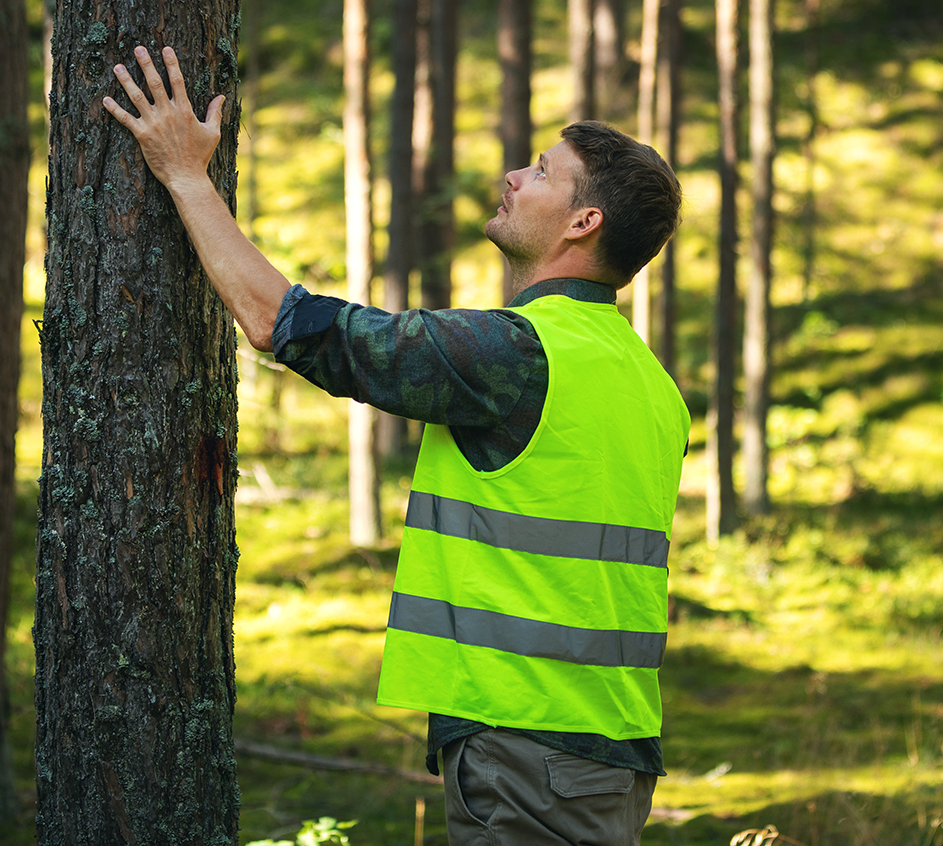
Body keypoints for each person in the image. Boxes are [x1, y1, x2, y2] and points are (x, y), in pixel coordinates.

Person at [103, 46, 690, 846]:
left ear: (583, 222)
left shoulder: (520, 355)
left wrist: (185, 178)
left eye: (543, 172)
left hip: (528, 752)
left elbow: (288, 324)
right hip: (606, 753)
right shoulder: (647, 380)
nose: (515, 176)